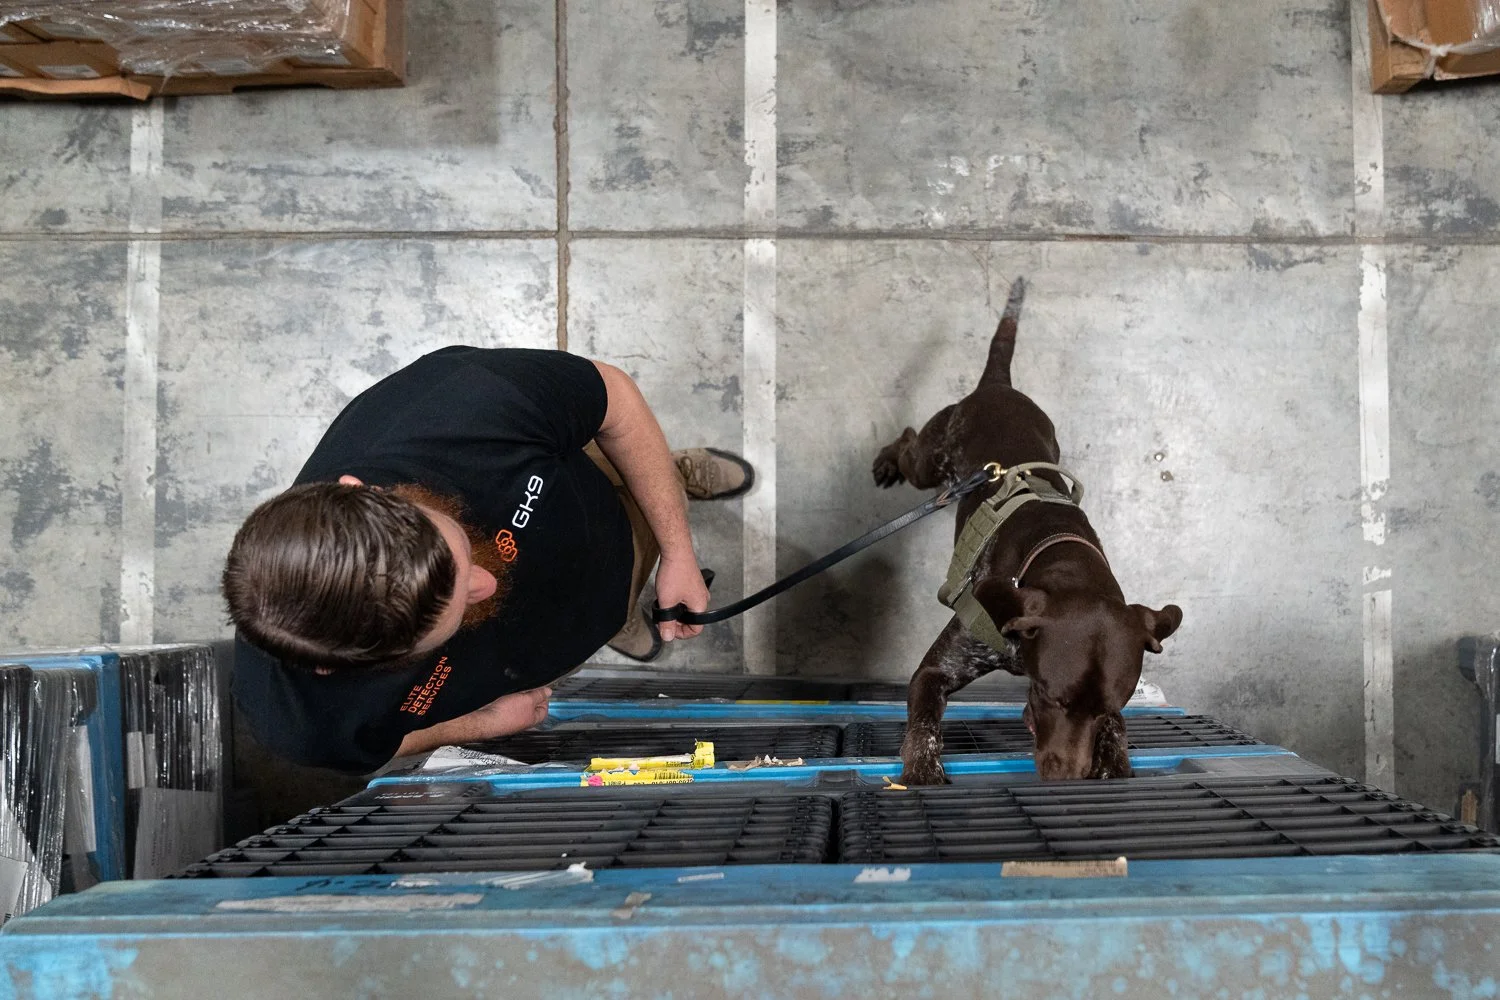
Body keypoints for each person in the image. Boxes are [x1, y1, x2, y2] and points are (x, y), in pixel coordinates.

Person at [224, 347, 752, 773]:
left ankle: (674, 476)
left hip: (593, 508)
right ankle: (615, 620)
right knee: (603, 614)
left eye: (458, 553)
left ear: (360, 491)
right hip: (534, 653)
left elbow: (614, 401)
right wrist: (480, 723)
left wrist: (678, 552)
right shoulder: (299, 722)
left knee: (641, 487)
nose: (487, 585)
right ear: (338, 667)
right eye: (452, 616)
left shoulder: (461, 400)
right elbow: (368, 745)